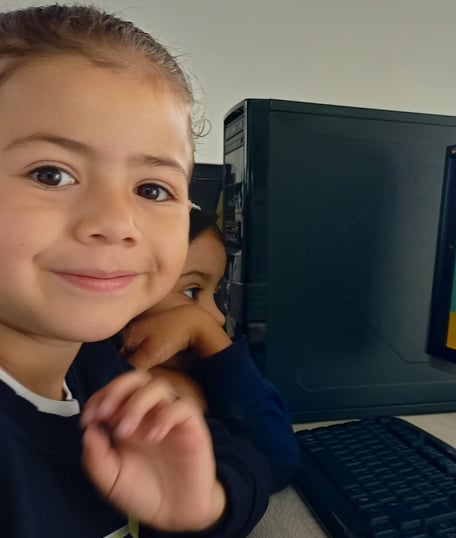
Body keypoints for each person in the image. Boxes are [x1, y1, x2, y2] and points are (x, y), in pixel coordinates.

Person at [0, 5, 268, 537]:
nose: (116, 223)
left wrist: (202, 505)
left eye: (152, 189)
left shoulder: (96, 367)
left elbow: (252, 463)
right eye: (51, 174)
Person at [119, 209, 300, 491]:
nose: (216, 318)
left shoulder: (196, 371)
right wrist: (206, 334)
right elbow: (274, 464)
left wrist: (204, 333)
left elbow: (279, 456)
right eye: (191, 291)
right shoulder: (138, 393)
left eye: (216, 294)